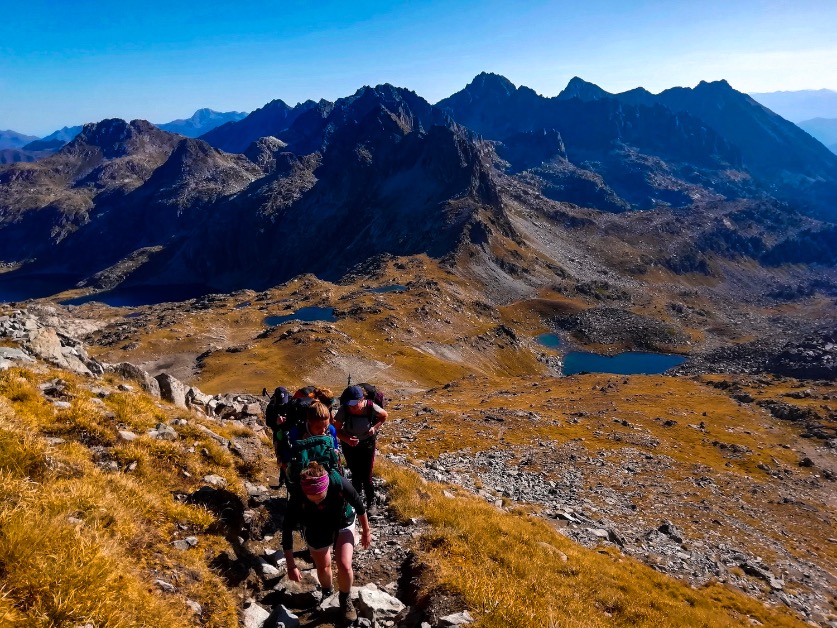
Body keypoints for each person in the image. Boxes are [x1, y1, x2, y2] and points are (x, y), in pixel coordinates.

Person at [283, 460, 372, 623]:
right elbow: (287, 529)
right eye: (312, 498)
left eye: (320, 497)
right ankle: (327, 592)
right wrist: (290, 565)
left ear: (326, 487)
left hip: (342, 521)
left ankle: (345, 599)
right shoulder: (297, 496)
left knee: (344, 565)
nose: (317, 502)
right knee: (323, 566)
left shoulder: (339, 483)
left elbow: (359, 505)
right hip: (315, 527)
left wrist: (366, 531)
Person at [333, 385, 388, 513]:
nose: (351, 407)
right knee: (355, 474)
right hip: (349, 446)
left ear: (362, 399)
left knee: (367, 475)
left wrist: (374, 428)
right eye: (349, 404)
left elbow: (384, 415)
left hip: (367, 444)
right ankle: (355, 503)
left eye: (354, 404)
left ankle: (371, 502)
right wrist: (347, 440)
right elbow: (336, 429)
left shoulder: (370, 406)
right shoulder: (344, 409)